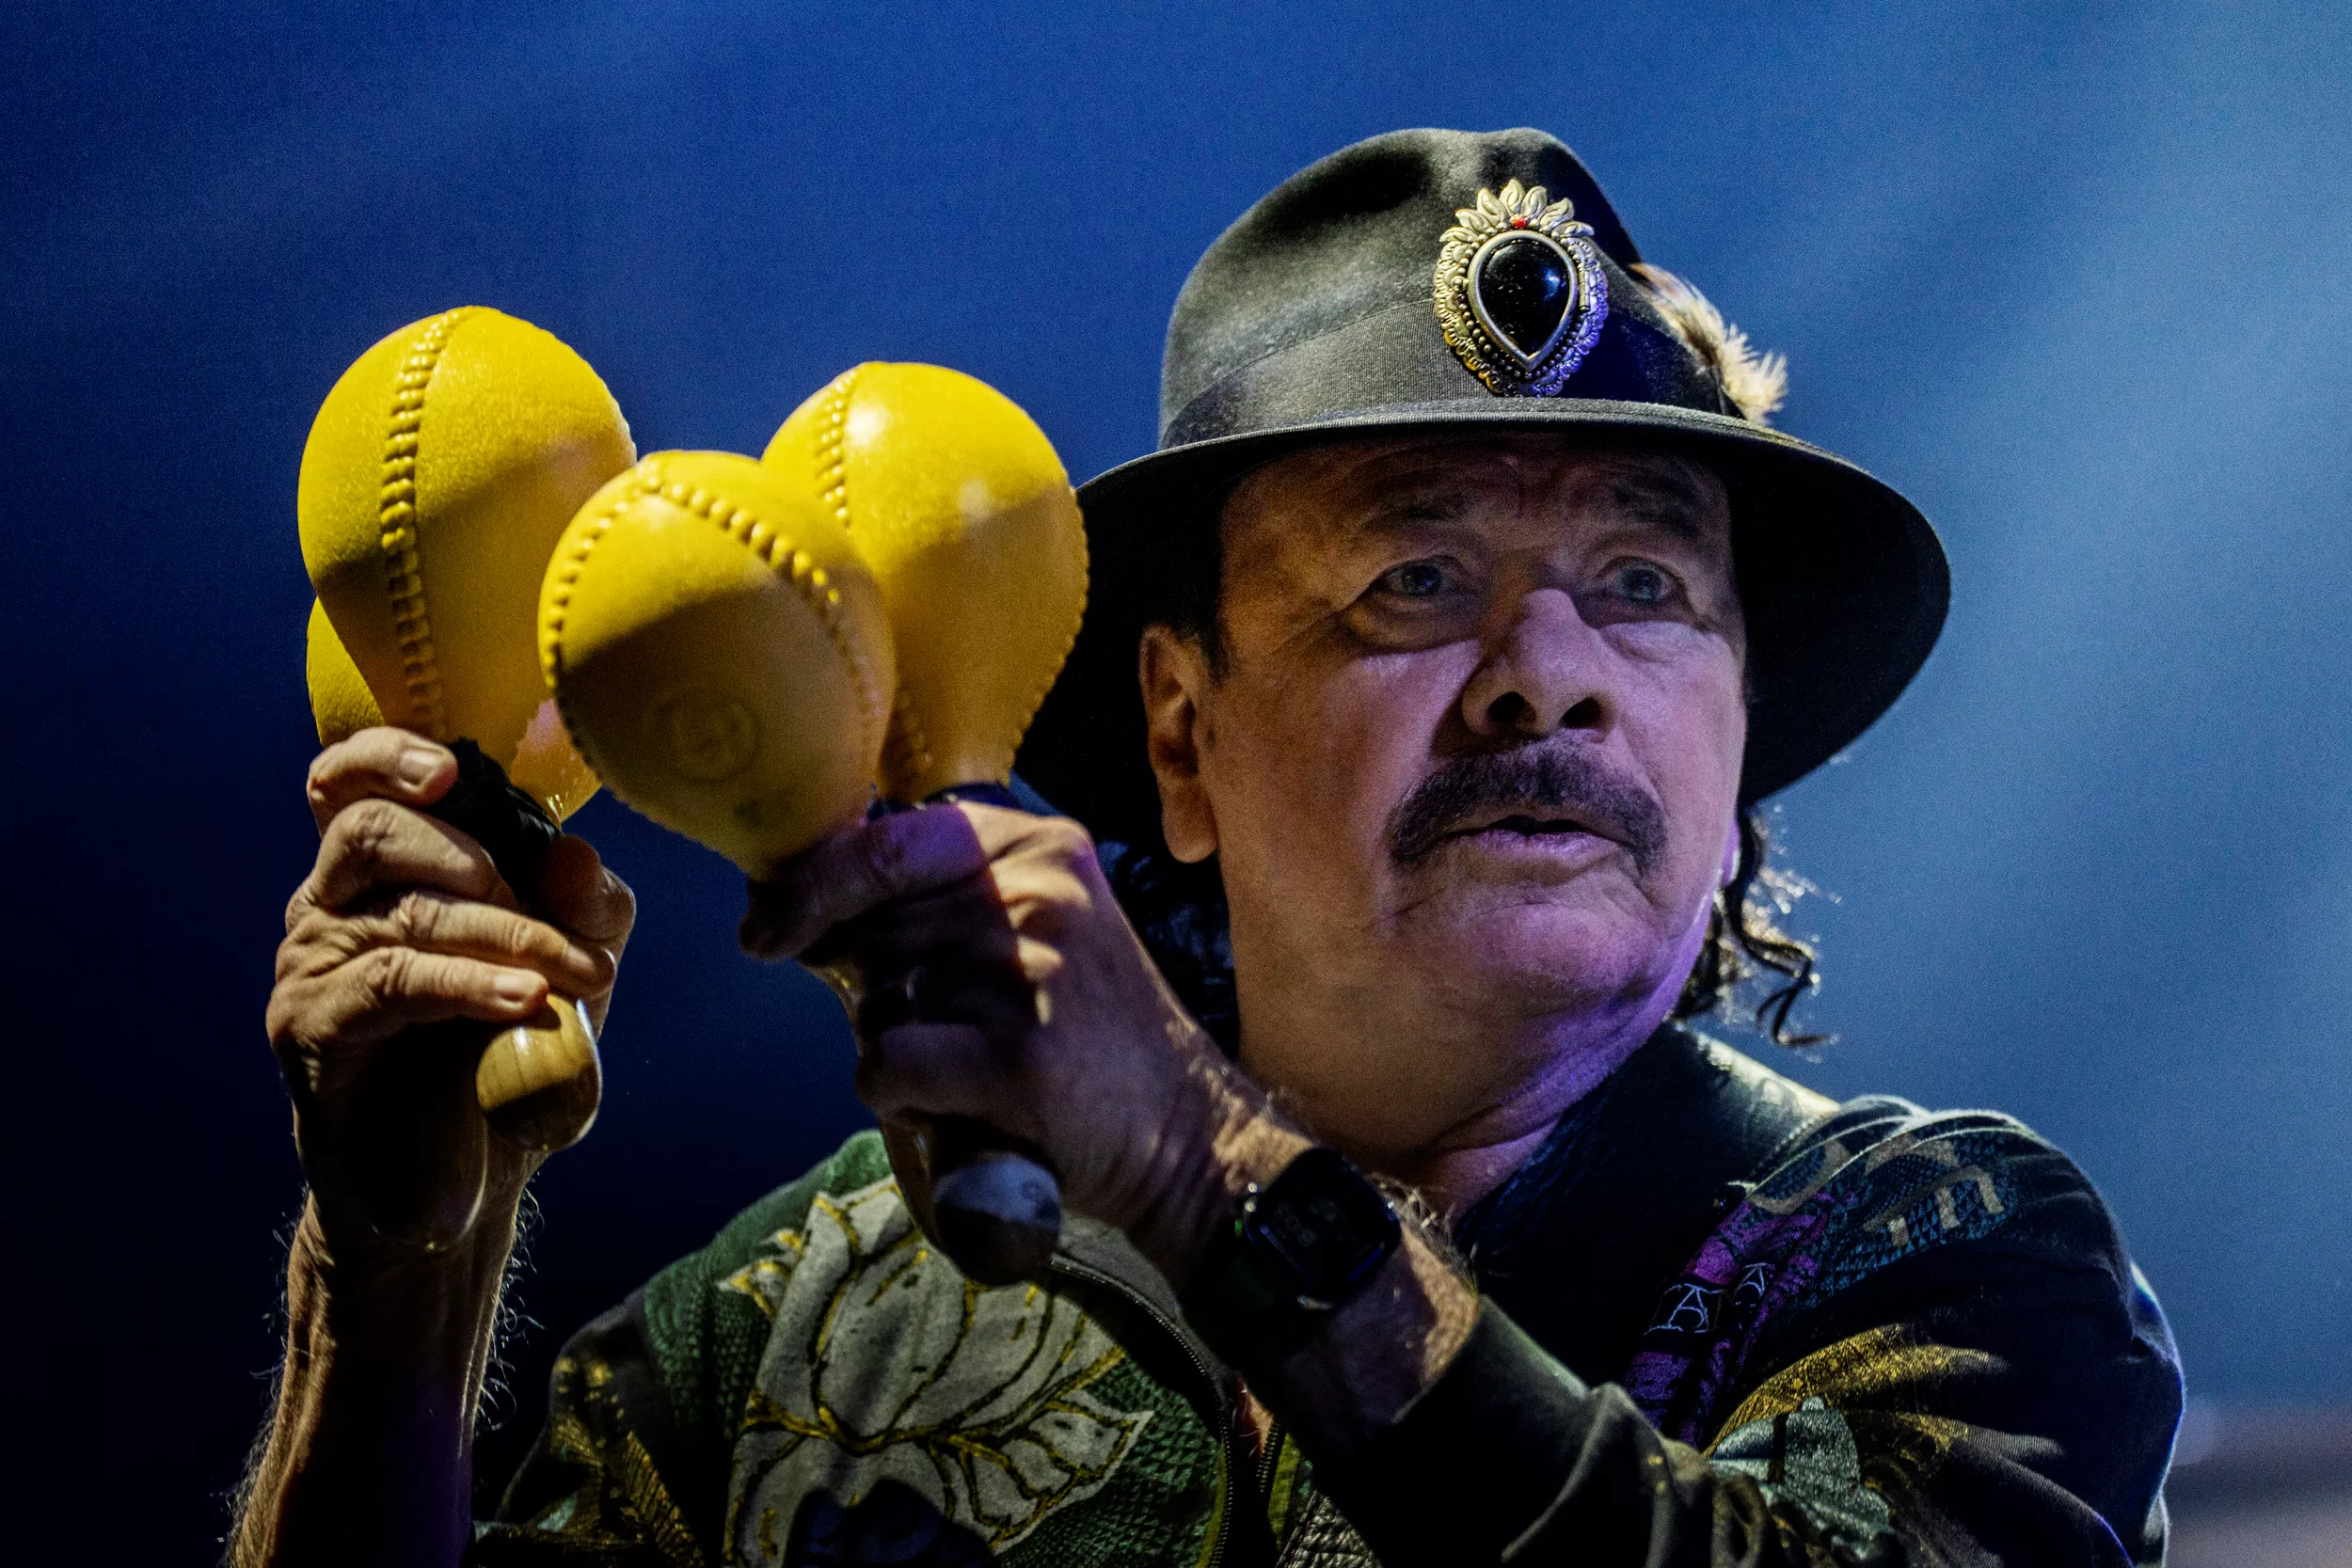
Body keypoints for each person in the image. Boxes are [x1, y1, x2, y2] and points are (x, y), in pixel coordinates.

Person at [232, 129, 2181, 1567]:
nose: (1550, 676)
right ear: (1181, 733)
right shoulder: (785, 1326)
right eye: (1418, 577)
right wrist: (390, 1280)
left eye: (1645, 581)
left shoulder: (1950, 1262)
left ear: (1738, 723)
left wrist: (1198, 1161)